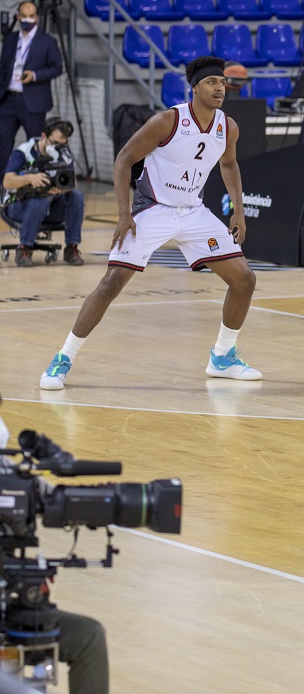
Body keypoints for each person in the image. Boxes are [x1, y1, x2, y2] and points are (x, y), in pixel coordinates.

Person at [38, 56, 260, 391]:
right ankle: (63, 358)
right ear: (195, 88)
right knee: (111, 283)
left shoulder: (227, 127)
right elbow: (125, 158)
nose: (220, 88)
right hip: (152, 208)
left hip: (192, 211)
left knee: (244, 279)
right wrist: (124, 213)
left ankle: (222, 357)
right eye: (212, 82)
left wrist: (238, 211)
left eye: (223, 82)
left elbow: (229, 165)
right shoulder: (167, 121)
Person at [0, 404, 109, 694]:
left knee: (87, 636)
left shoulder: (13, 477)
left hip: (8, 607)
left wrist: (105, 503)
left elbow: (60, 503)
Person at [2, 117, 83, 267]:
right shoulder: (24, 151)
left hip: (50, 205)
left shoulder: (64, 153)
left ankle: (72, 247)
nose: (60, 147)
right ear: (44, 137)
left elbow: (73, 182)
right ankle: (24, 248)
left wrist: (61, 189)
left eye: (64, 143)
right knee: (40, 200)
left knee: (76, 196)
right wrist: (30, 178)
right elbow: (7, 181)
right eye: (56, 143)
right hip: (17, 205)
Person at [0, 1, 63, 177]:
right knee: (2, 145)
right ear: (18, 17)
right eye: (25, 16)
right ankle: (3, 188)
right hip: (8, 100)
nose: (28, 19)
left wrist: (35, 75)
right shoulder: (10, 39)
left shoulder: (48, 41)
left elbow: (57, 67)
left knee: (36, 146)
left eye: (32, 16)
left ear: (37, 17)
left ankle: (34, 184)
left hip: (34, 102)